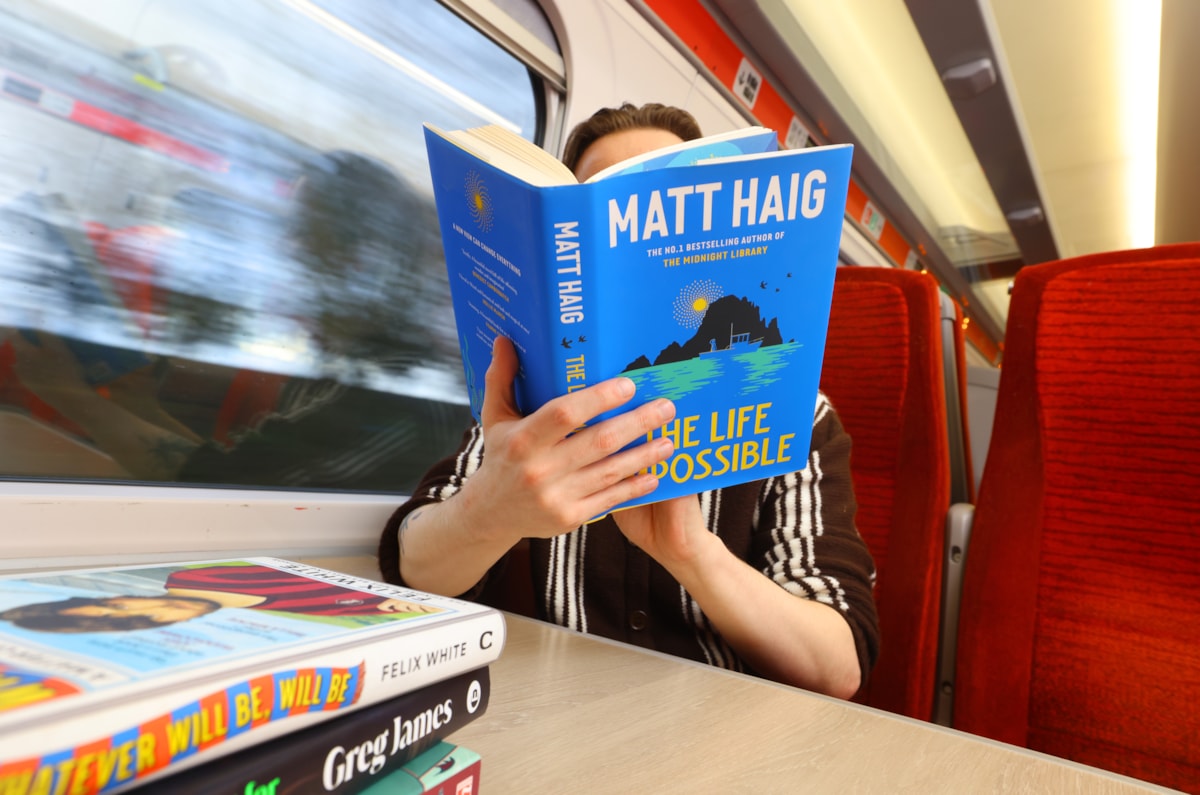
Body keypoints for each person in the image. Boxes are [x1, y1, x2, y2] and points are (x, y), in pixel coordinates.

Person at [378, 103, 880, 698]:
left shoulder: (799, 415)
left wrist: (691, 552)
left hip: (720, 721)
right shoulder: (529, 407)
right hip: (551, 705)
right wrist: (490, 512)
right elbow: (412, 569)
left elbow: (837, 667)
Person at [0, 563, 440, 633]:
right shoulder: (287, 625)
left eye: (113, 604)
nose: (146, 609)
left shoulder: (199, 576)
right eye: (122, 619)